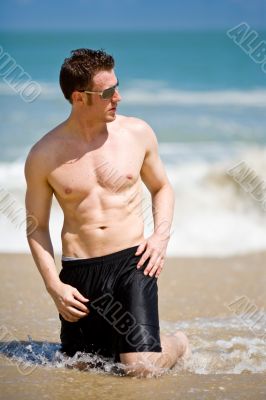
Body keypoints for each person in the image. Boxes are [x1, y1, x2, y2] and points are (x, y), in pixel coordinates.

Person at [24, 48, 190, 377]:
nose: (119, 97)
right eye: (108, 92)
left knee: (138, 368)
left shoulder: (137, 133)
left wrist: (160, 236)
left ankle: (178, 343)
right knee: (83, 368)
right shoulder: (45, 154)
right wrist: (53, 286)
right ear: (79, 98)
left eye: (118, 86)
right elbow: (36, 227)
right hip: (79, 272)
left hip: (132, 262)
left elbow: (162, 187)